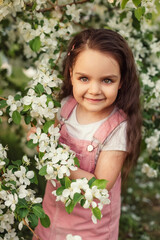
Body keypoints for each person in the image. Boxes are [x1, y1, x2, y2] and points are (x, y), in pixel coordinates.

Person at [32, 28, 142, 240]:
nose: (94, 90)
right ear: (71, 74)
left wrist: (54, 160)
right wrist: (41, 139)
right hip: (52, 211)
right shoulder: (65, 108)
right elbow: (47, 144)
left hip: (90, 228)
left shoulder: (117, 129)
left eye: (107, 80)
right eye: (84, 78)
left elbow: (100, 185)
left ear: (122, 81)